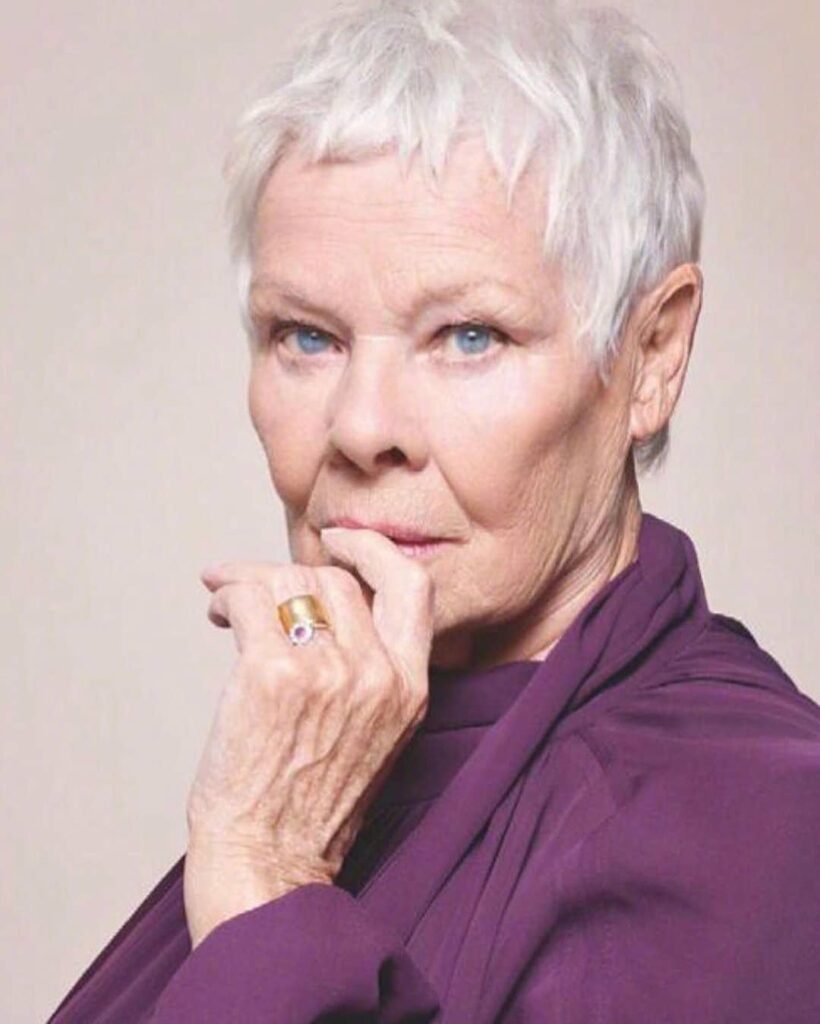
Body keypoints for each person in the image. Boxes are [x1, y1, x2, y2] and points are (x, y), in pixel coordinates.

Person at [48, 0, 820, 1020]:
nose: (362, 429)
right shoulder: (334, 759)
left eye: (468, 337)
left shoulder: (752, 818)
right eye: (307, 336)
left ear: (651, 356)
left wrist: (267, 876)